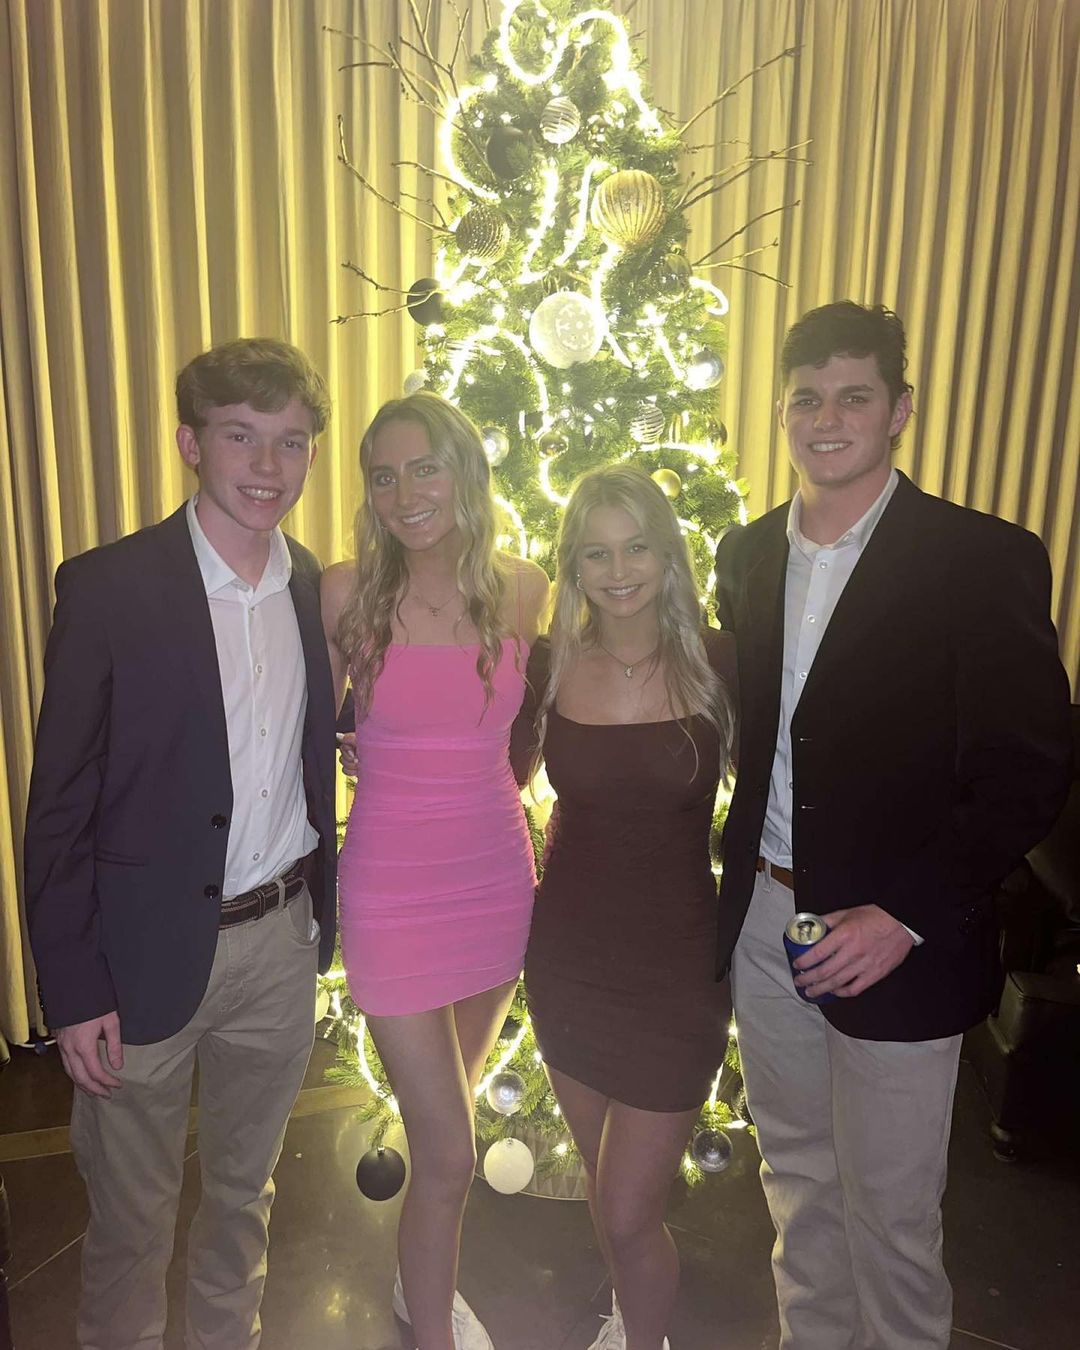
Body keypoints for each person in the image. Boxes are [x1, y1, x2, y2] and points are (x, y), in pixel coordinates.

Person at [713, 300, 1072, 1350]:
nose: (827, 420)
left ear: (899, 410)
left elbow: (1027, 770)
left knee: (893, 1219)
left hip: (897, 941)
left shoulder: (981, 557)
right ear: (783, 412)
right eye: (807, 399)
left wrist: (905, 913)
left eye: (854, 397)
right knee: (798, 1184)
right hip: (766, 923)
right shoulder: (745, 555)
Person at [23, 337, 339, 1349]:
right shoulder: (109, 588)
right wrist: (73, 987)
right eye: (241, 436)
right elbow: (60, 805)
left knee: (245, 1198)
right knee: (131, 1220)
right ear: (189, 444)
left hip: (280, 945)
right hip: (141, 956)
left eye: (291, 441)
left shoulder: (314, 590)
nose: (268, 466)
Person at [321, 392, 548, 1350]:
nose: (405, 492)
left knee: (440, 1134)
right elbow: (299, 723)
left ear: (465, 471)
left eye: (425, 468)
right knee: (451, 1152)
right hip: (391, 891)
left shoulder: (525, 588)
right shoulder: (344, 593)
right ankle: (432, 1331)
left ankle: (423, 1289)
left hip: (494, 880)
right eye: (384, 475)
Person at [510, 465, 736, 1350]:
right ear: (573, 564)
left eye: (636, 546)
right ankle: (629, 1321)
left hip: (678, 969)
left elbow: (791, 787)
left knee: (632, 1209)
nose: (618, 571)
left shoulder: (719, 663)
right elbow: (486, 778)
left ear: (668, 553)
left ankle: (646, 1339)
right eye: (596, 553)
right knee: (609, 1195)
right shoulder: (550, 665)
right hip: (569, 963)